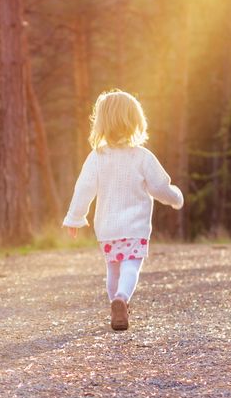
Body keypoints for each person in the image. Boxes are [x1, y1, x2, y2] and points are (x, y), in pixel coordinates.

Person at [62, 89, 184, 332]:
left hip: (107, 227)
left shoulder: (97, 157)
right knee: (131, 265)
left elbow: (84, 188)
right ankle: (121, 299)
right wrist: (176, 198)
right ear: (136, 122)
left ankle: (114, 305)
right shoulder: (142, 157)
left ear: (102, 123)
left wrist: (74, 218)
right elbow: (160, 187)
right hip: (135, 226)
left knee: (113, 267)